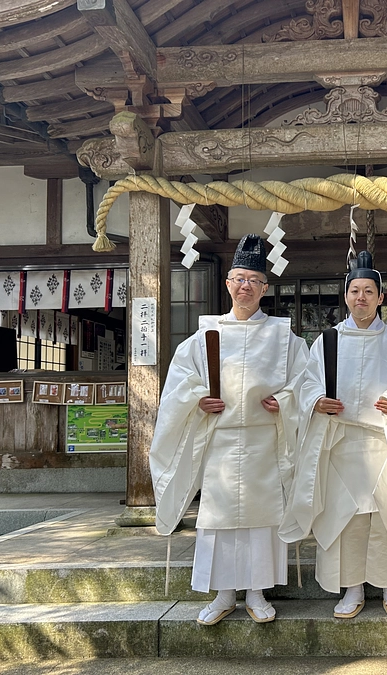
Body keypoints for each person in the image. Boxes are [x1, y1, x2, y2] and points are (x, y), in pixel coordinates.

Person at [149, 234, 308, 625]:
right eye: (239, 279)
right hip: (219, 440)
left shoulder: (284, 337)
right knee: (218, 519)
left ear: (265, 288)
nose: (245, 287)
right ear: (227, 284)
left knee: (262, 518)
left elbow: (306, 383)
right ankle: (223, 595)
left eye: (253, 281)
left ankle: (257, 592)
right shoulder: (206, 335)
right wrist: (198, 401)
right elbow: (180, 384)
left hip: (265, 439)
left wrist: (285, 401)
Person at [280, 251, 387, 620]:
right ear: (346, 296)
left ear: (381, 297)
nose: (361, 297)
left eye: (369, 291)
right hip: (341, 441)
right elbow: (306, 382)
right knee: (345, 517)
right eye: (355, 291)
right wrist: (317, 400)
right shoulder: (328, 341)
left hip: (385, 441)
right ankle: (351, 587)